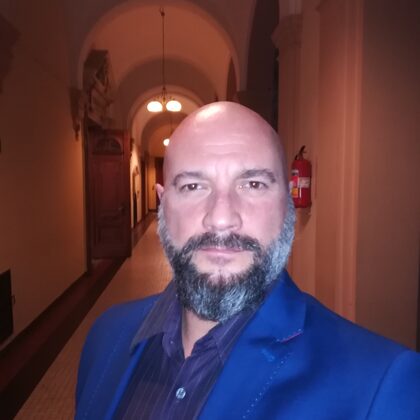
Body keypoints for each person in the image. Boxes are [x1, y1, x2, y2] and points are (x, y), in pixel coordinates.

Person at [75, 102, 420, 419]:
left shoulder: (381, 385)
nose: (221, 218)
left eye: (253, 184)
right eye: (193, 186)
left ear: (287, 204)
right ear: (163, 206)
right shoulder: (106, 336)